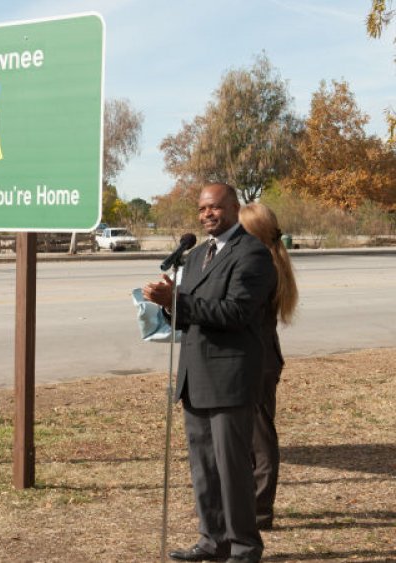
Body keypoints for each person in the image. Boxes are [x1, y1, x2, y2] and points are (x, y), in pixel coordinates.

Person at [143, 182, 276, 563]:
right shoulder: (198, 254)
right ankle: (212, 540)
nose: (207, 215)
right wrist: (167, 305)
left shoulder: (252, 254)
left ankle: (244, 547)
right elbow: (190, 312)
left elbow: (236, 313)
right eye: (202, 209)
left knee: (232, 469)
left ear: (235, 207)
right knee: (204, 467)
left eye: (215, 207)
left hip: (230, 379)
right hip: (195, 376)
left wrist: (179, 301)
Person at [239, 203, 299, 531]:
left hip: (259, 361)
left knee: (260, 437)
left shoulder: (263, 268)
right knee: (252, 434)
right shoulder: (271, 261)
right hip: (263, 359)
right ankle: (250, 503)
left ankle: (260, 510)